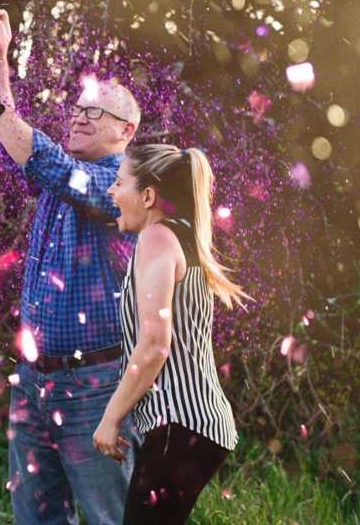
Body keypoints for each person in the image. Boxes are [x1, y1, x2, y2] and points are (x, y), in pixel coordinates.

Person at [0, 10, 142, 524]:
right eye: (77, 109)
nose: (79, 117)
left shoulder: (118, 187)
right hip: (35, 382)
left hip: (97, 385)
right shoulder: (61, 174)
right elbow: (19, 145)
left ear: (125, 131)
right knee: (36, 518)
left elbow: (46, 160)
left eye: (94, 113)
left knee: (110, 517)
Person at [94, 143, 250, 524]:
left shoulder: (156, 238)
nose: (111, 193)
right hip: (195, 426)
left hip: (181, 426)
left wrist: (111, 417)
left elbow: (154, 344)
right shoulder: (181, 235)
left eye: (118, 183)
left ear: (147, 196)